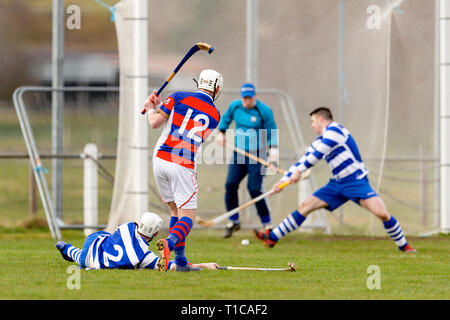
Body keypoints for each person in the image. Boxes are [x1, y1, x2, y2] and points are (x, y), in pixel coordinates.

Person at [253, 107, 416, 253]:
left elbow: (317, 156)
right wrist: (282, 182)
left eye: (312, 122)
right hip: (337, 183)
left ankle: (404, 246)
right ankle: (272, 237)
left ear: (320, 120)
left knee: (382, 213)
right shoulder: (319, 140)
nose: (311, 126)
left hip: (356, 181)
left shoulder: (335, 130)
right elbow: (304, 160)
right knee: (305, 206)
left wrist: (299, 172)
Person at [143, 69, 223, 271]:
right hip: (182, 164)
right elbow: (188, 122)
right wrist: (159, 106)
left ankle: (180, 263)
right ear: (217, 89)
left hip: (160, 159)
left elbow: (155, 122)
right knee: (188, 217)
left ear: (199, 84)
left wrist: (151, 107)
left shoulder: (177, 96)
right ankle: (169, 243)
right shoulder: (215, 115)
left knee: (174, 211)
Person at [216, 83, 279, 238]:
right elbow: (226, 118)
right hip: (239, 154)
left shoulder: (264, 111)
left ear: (255, 96)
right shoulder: (235, 106)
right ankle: (233, 221)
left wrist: (274, 150)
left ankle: (267, 224)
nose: (246, 101)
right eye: (244, 97)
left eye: (249, 98)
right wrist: (221, 132)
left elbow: (271, 130)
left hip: (258, 155)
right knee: (230, 185)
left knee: (255, 189)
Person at [55, 212, 219, 271]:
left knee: (84, 251)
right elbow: (173, 266)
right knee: (81, 257)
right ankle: (68, 250)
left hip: (92, 246)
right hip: (92, 263)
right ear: (155, 234)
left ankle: (65, 248)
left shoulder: (126, 227)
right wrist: (203, 265)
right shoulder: (144, 256)